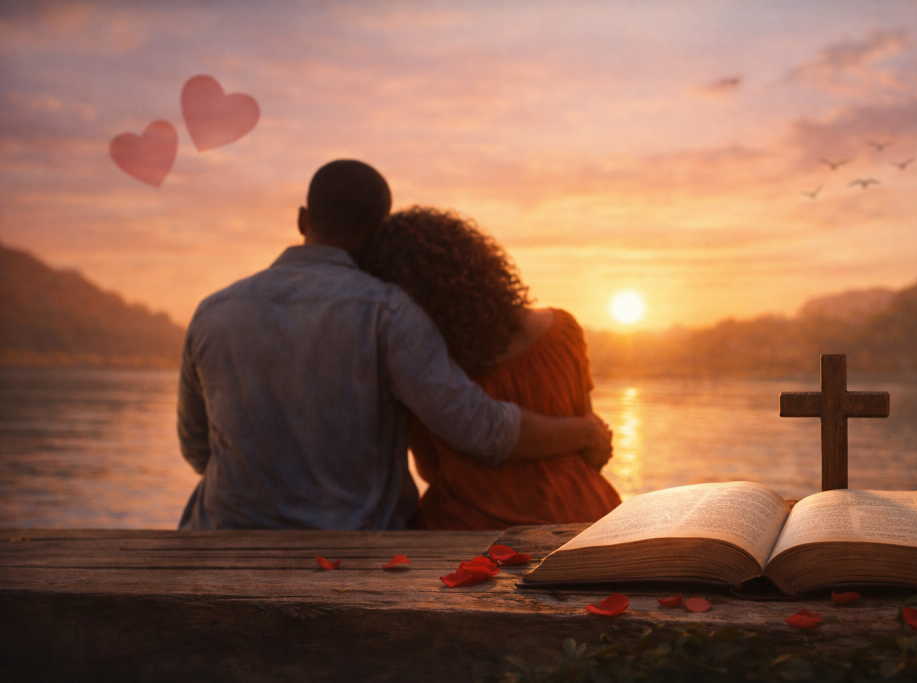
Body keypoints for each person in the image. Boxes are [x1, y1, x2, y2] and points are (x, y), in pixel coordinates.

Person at [177, 160, 612, 530]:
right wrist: (586, 431)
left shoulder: (213, 312)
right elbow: (478, 428)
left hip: (225, 531)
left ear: (303, 220)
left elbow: (196, 446)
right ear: (377, 232)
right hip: (357, 542)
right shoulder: (390, 313)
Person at [359, 206, 622, 530]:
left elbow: (430, 469)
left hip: (479, 527)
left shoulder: (433, 370)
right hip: (590, 516)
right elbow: (594, 453)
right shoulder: (563, 331)